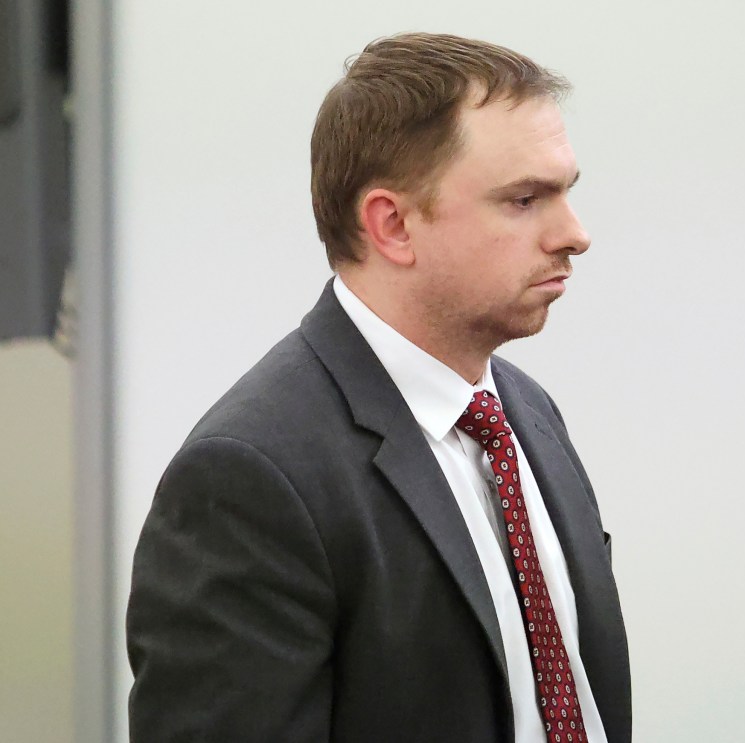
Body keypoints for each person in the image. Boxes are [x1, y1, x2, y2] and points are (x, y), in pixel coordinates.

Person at [126, 32, 630, 743]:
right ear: (391, 224)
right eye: (524, 199)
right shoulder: (249, 479)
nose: (574, 234)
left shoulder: (524, 412)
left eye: (565, 193)